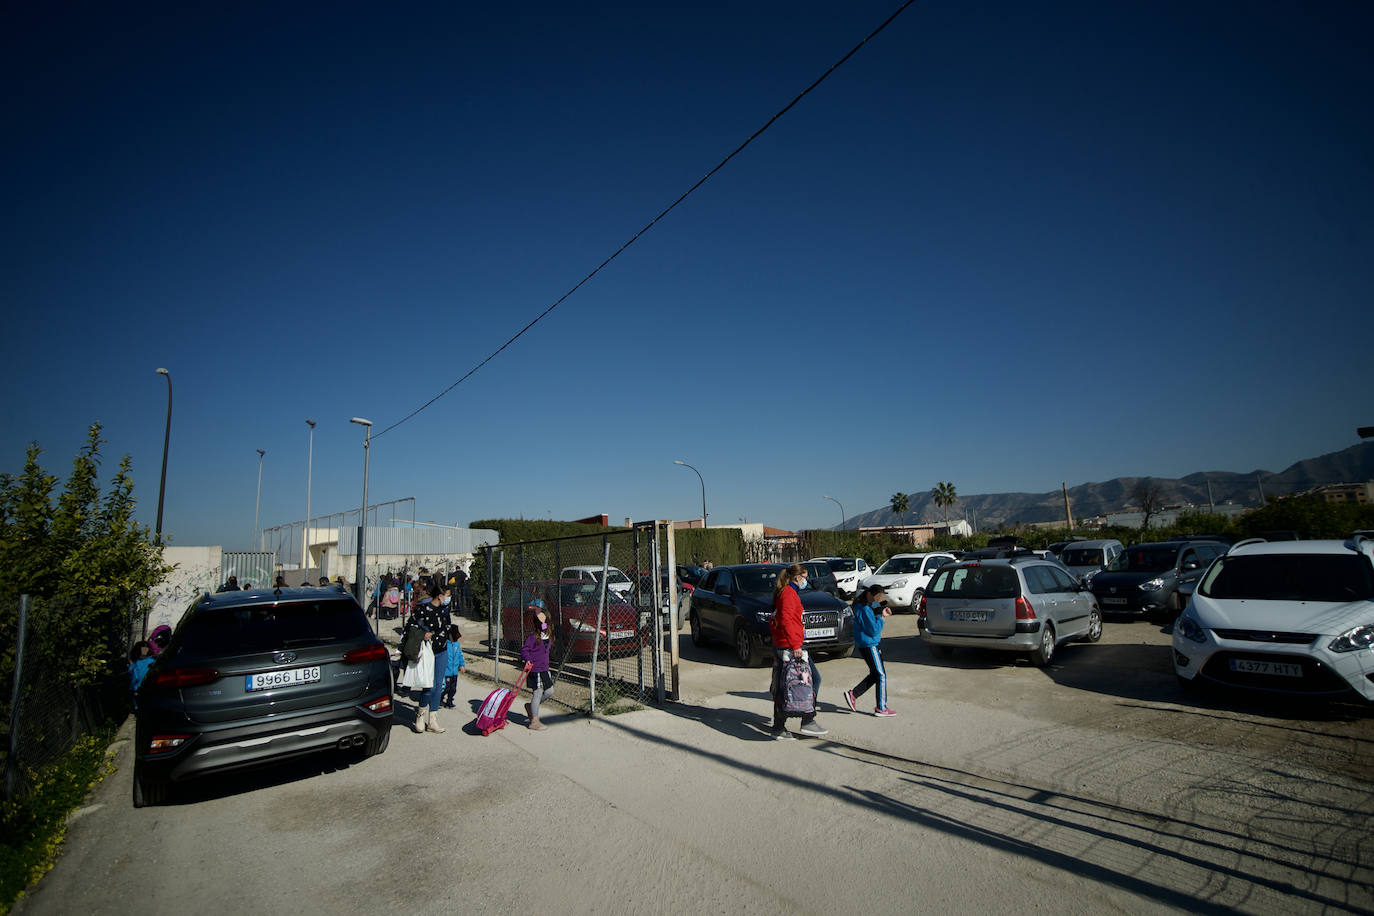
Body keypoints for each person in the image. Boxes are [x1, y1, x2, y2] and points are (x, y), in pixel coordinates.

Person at [769, 563, 826, 739]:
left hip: (786, 644)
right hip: (789, 645)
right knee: (811, 679)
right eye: (805, 577)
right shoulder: (788, 594)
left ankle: (779, 726)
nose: (806, 581)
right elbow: (786, 620)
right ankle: (808, 719)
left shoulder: (788, 592)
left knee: (783, 684)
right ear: (797, 577)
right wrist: (795, 645)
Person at [844, 585, 896, 717]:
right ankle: (881, 707)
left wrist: (880, 614)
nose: (877, 601)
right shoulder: (865, 609)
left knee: (875, 674)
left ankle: (854, 694)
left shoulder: (862, 607)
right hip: (869, 644)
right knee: (881, 675)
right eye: (876, 598)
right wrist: (881, 618)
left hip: (866, 644)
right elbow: (873, 630)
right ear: (869, 594)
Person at [412, 585, 451, 734]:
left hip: (442, 651)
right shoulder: (422, 610)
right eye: (446, 595)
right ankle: (420, 715)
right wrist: (422, 634)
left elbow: (448, 626)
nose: (447, 599)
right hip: (427, 651)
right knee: (429, 686)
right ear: (439, 596)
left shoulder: (444, 610)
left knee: (438, 686)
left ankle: (433, 719)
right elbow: (412, 626)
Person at [521, 604, 552, 731]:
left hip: (545, 668)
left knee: (550, 691)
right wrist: (527, 659)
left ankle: (531, 707)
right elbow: (525, 650)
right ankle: (534, 721)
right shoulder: (533, 637)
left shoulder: (548, 635)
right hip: (535, 669)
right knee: (537, 693)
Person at [440, 623, 467, 708]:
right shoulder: (445, 645)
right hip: (446, 671)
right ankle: (440, 698)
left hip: (454, 671)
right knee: (445, 687)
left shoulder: (456, 645)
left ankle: (449, 700)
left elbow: (460, 655)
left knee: (453, 688)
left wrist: (462, 665)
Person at [128, 641, 154, 709]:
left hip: (138, 691)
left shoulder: (136, 664)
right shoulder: (153, 661)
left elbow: (134, 678)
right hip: (151, 690)